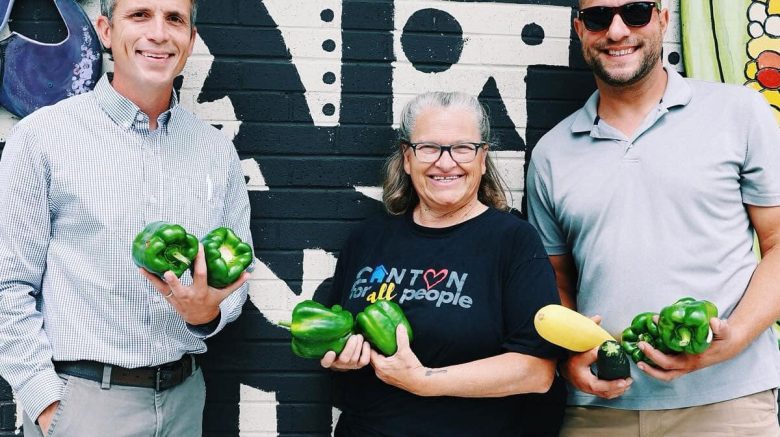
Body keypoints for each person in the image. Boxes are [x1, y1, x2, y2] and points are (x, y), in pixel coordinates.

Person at [526, 0, 780, 435]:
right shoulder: (551, 153)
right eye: (598, 17)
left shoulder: (739, 113)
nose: (617, 31)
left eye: (636, 12)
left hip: (727, 404)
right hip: (600, 409)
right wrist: (570, 359)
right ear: (580, 30)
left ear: (663, 20)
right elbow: (557, 279)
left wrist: (733, 338)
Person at [0, 0, 253, 435]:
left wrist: (208, 313)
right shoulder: (43, 137)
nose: (158, 33)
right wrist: (49, 405)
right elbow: (7, 284)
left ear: (190, 39)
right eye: (139, 15)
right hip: (84, 404)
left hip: (185, 399)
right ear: (105, 30)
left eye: (174, 19)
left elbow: (236, 275)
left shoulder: (215, 151)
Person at [321, 91, 566, 436]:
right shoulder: (367, 239)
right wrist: (342, 360)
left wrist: (424, 381)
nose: (446, 162)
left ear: (483, 158)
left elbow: (536, 371)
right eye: (429, 148)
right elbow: (336, 335)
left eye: (463, 148)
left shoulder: (513, 241)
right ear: (408, 158)